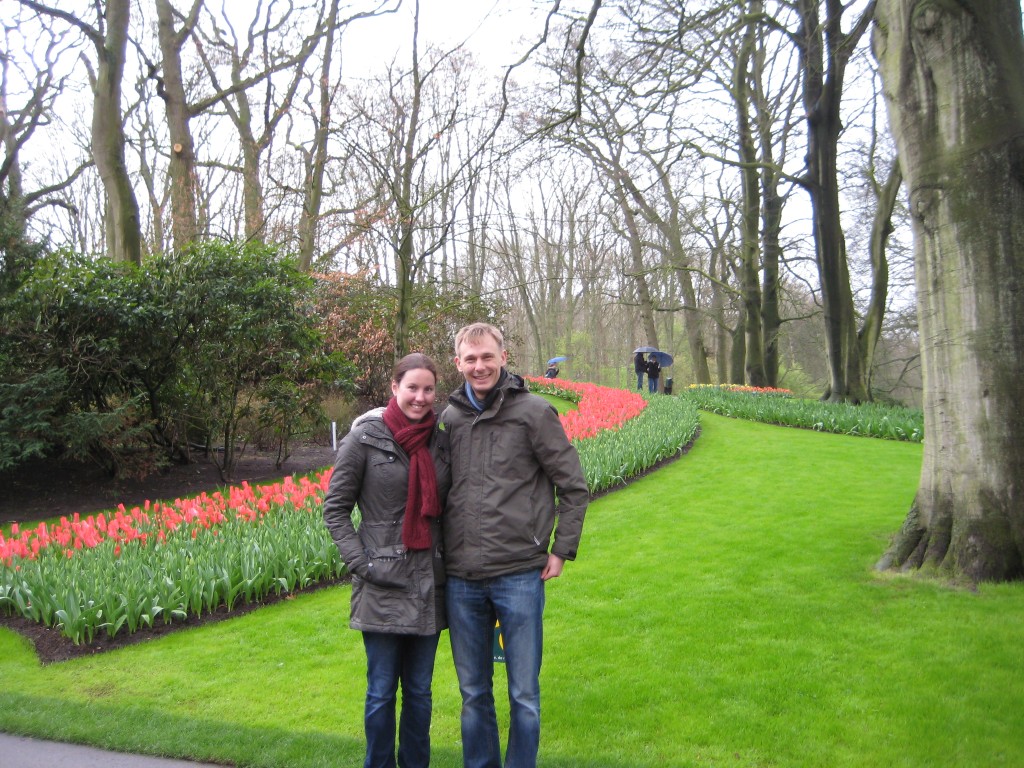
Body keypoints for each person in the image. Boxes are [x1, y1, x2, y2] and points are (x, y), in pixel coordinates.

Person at [440, 322, 589, 768]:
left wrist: (561, 550)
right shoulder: (450, 419)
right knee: (473, 693)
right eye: (470, 359)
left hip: (520, 573)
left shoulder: (534, 413)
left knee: (524, 693)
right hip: (462, 577)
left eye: (487, 356)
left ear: (503, 357)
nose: (479, 366)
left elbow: (574, 487)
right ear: (458, 363)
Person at [322, 353, 451, 768]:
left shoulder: (440, 441)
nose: (420, 397)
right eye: (412, 387)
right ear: (394, 388)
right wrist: (362, 565)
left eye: (428, 389)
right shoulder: (364, 439)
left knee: (420, 692)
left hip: (429, 582)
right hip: (382, 583)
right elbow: (335, 509)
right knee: (380, 691)